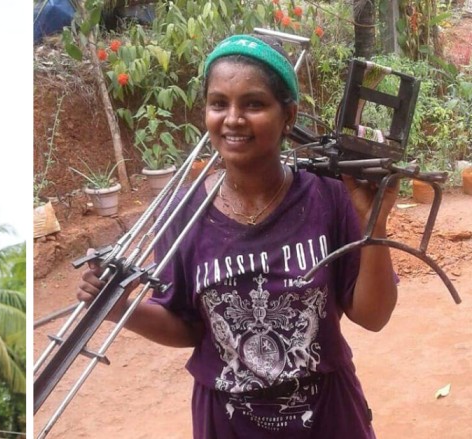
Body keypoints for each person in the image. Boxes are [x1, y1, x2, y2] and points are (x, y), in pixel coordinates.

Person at [78, 34, 398, 438]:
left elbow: (374, 316)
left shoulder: (329, 195)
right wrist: (118, 306)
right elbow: (190, 327)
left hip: (327, 416)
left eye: (253, 103)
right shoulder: (182, 212)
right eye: (219, 103)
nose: (232, 118)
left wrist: (375, 226)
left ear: (289, 115)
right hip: (227, 422)